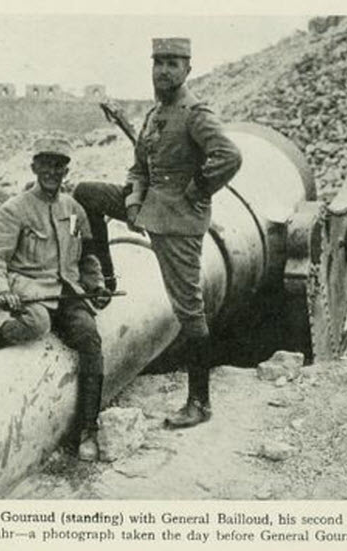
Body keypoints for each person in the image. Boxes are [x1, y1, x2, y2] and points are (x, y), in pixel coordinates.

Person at [73, 37, 242, 428]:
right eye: (159, 62)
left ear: (187, 69)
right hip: (147, 208)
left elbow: (229, 156)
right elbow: (138, 170)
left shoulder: (194, 112)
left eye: (173, 63)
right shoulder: (154, 115)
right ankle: (105, 278)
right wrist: (132, 201)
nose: (164, 70)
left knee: (188, 309)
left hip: (179, 223)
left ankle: (199, 403)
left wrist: (197, 191)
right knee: (85, 194)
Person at [0, 138, 112, 461]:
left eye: (58, 166)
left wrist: (97, 285)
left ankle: (88, 430)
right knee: (37, 322)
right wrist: (1, 291)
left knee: (90, 336)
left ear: (66, 171)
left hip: (68, 291)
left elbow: (88, 258)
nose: (52, 172)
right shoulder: (15, 209)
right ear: (34, 167)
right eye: (45, 165)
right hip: (30, 288)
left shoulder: (74, 209)